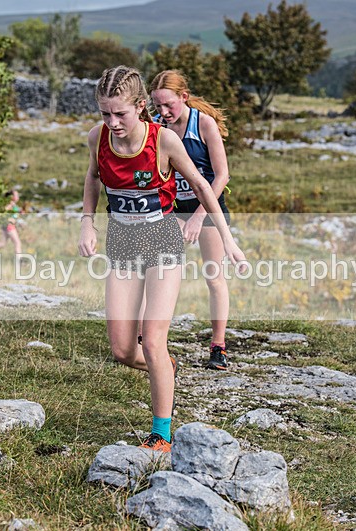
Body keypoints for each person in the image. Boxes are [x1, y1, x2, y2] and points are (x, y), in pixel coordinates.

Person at [77, 65, 246, 452]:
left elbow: (205, 186)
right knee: (122, 350)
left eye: (120, 113)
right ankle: (167, 370)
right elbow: (92, 178)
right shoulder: (97, 137)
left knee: (153, 340)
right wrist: (86, 223)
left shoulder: (164, 140)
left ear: (140, 106)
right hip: (121, 241)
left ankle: (162, 435)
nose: (113, 122)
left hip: (162, 239)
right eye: (105, 113)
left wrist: (228, 239)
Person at [150, 70, 233, 371]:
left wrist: (199, 216)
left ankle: (219, 347)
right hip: (173, 207)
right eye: (157, 106)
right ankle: (153, 343)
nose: (163, 112)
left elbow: (222, 175)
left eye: (169, 104)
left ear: (183, 97)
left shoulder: (204, 124)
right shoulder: (158, 127)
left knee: (213, 276)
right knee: (162, 274)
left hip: (208, 207)